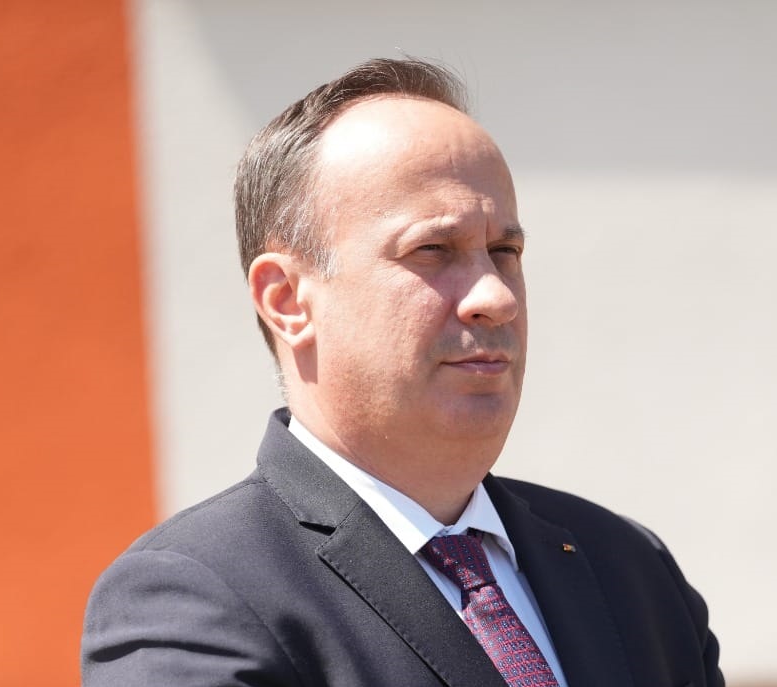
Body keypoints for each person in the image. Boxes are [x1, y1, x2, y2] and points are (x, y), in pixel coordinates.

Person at [82, 58, 722, 687]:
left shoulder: (629, 569)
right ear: (287, 300)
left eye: (505, 250)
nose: (496, 297)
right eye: (433, 249)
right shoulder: (194, 597)